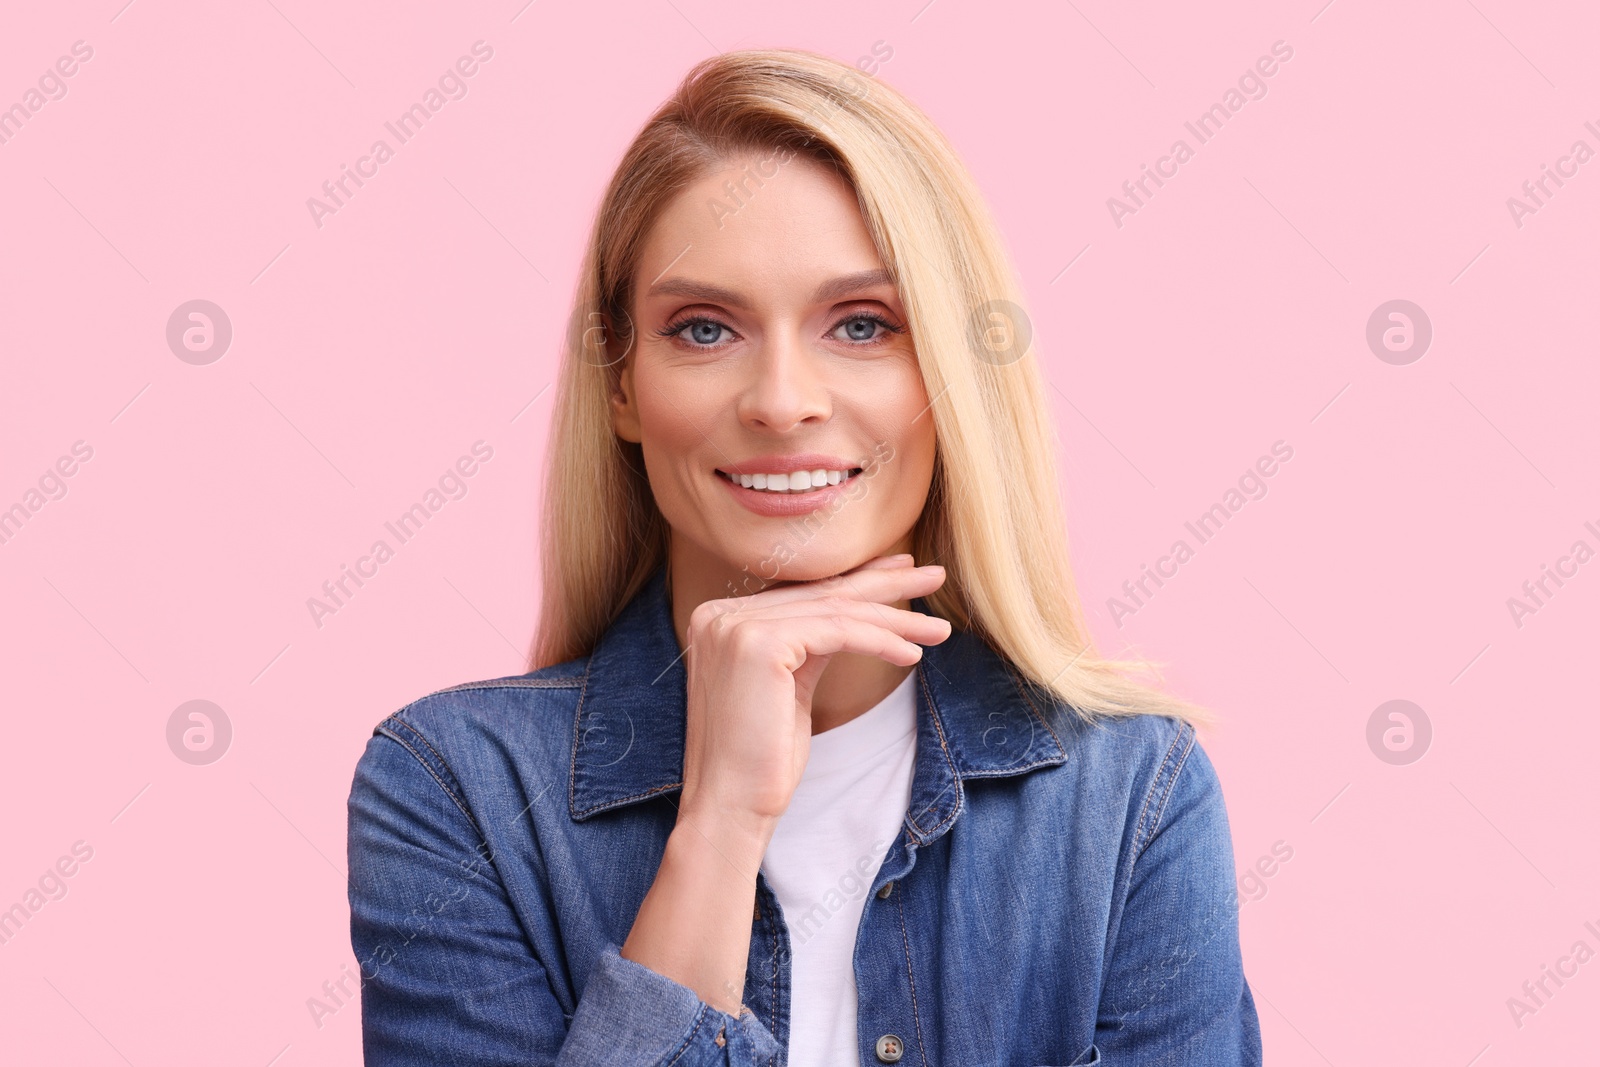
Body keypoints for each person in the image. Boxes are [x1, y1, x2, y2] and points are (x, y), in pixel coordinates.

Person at [347, 47, 1262, 1066]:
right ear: (619, 380)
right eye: (703, 328)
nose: (781, 399)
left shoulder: (1130, 794)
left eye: (862, 323)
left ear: (952, 369)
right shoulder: (457, 787)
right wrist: (719, 822)